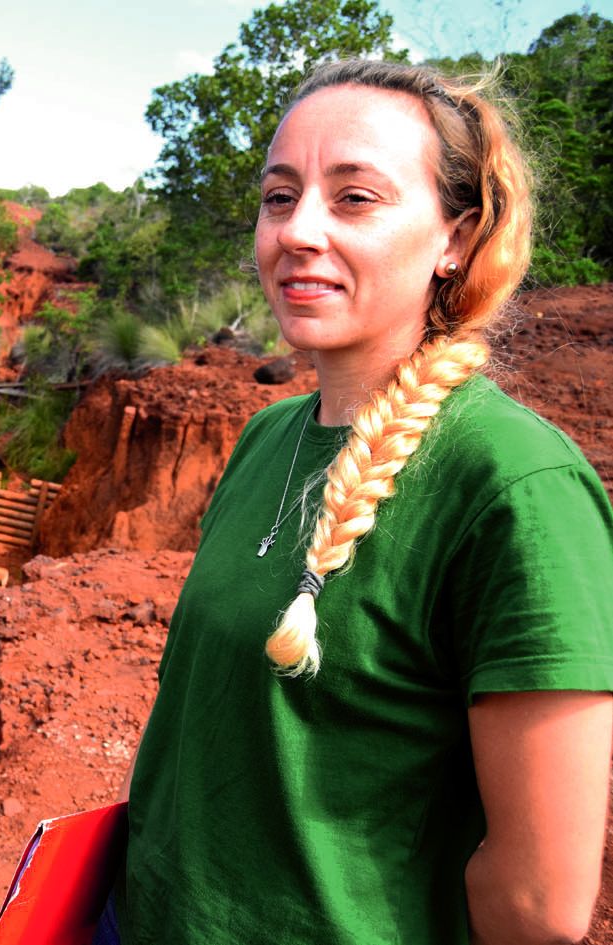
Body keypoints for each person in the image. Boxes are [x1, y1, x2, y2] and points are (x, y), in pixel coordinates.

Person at [99, 59, 613, 945]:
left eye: (355, 199)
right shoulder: (269, 437)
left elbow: (538, 907)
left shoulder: (515, 486)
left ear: (455, 237)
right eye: (277, 196)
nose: (298, 230)